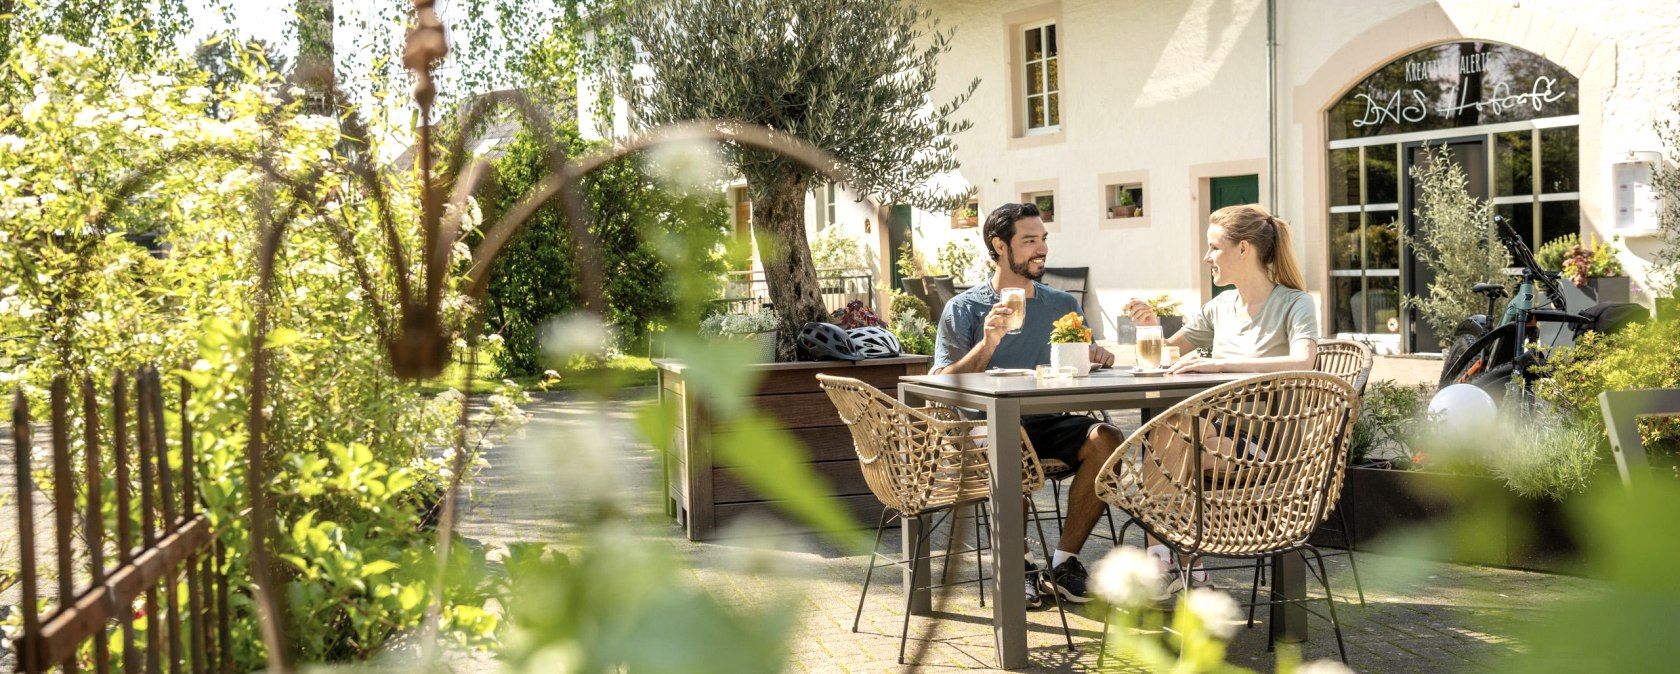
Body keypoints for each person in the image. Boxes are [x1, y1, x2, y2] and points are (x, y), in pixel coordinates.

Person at [1122, 203, 1318, 595]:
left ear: (1244, 249)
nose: (1206, 257)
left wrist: (1218, 363)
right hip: (1212, 434)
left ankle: (1173, 566)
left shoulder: (1294, 303)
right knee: (1171, 432)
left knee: (1168, 447)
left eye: (1214, 247)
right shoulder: (1219, 308)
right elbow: (1167, 356)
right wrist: (1150, 327)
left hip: (1267, 446)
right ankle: (1177, 568)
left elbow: (1304, 361)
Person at [932, 202, 1118, 608]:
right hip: (984, 429)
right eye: (1029, 241)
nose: (1042, 250)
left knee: (1108, 437)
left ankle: (1065, 563)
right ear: (1000, 246)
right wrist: (988, 343)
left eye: (1043, 239)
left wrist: (1095, 356)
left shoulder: (1062, 305)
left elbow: (1076, 362)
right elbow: (941, 384)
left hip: (1048, 421)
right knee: (1006, 443)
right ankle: (1021, 565)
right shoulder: (964, 309)